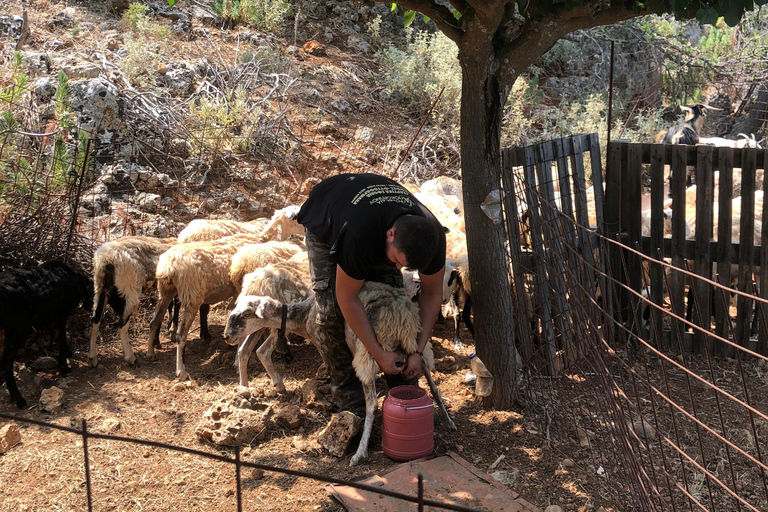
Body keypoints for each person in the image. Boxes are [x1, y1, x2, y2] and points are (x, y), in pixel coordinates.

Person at [295, 173, 447, 416]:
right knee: (331, 314)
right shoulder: (358, 234)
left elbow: (431, 295)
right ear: (390, 235)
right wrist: (377, 353)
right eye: (397, 261)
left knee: (394, 310)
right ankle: (350, 402)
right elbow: (348, 299)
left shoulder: (434, 237)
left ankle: (402, 390)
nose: (398, 270)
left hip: (376, 222)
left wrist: (418, 352)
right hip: (328, 216)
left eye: (406, 267)